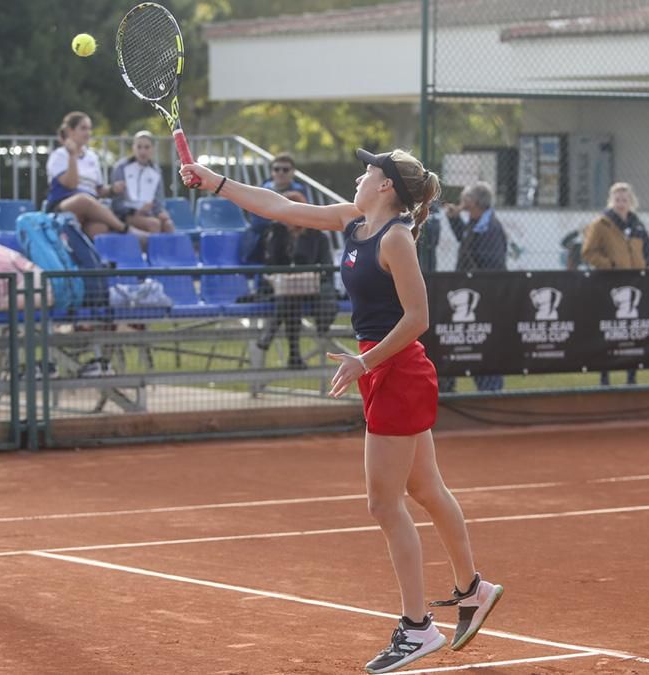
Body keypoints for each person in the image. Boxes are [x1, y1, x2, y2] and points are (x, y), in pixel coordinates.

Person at [182, 148, 504, 675]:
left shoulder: (396, 238)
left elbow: (419, 317)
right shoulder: (354, 221)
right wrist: (215, 181)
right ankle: (474, 588)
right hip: (384, 369)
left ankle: (417, 627)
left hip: (396, 370)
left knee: (384, 504)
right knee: (424, 489)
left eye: (368, 170)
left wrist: (366, 362)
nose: (359, 174)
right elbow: (278, 207)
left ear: (385, 187)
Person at [581, 182, 649, 386]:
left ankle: (632, 375)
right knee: (610, 330)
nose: (621, 204)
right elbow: (588, 252)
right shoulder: (601, 224)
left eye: (625, 200)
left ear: (631, 202)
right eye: (617, 200)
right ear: (610, 201)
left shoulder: (637, 224)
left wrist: (643, 266)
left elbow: (648, 249)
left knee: (632, 330)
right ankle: (605, 375)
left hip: (634, 282)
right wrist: (610, 265)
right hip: (609, 283)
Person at [255, 191, 336, 370]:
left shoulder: (318, 236)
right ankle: (293, 356)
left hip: (313, 288)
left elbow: (327, 267)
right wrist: (279, 234)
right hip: (282, 288)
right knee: (292, 298)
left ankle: (272, 336)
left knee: (292, 297)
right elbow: (272, 264)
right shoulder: (276, 233)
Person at [439, 181, 507, 393]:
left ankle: (491, 391)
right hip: (471, 293)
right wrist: (455, 219)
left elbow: (490, 265)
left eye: (465, 199)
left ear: (475, 202)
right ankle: (452, 386)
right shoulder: (477, 222)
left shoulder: (490, 228)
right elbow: (466, 241)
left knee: (485, 345)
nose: (461, 202)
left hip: (485, 297)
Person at [44, 112, 142, 242]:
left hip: (91, 206)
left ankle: (96, 260)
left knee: (99, 228)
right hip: (63, 205)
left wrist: (113, 189)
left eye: (89, 128)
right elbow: (71, 185)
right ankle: (125, 229)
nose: (88, 133)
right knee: (83, 200)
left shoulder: (92, 157)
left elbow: (98, 190)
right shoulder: (59, 155)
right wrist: (72, 155)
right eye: (83, 128)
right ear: (71, 131)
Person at [241, 152, 313, 264]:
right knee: (278, 231)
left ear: (293, 172)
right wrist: (278, 221)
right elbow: (256, 222)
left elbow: (305, 216)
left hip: (295, 237)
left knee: (318, 235)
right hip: (266, 240)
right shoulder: (261, 191)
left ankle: (323, 276)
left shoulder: (299, 192)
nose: (280, 173)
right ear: (272, 172)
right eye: (276, 169)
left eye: (285, 169)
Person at [110, 130, 174, 235]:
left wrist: (160, 212)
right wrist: (136, 209)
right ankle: (152, 252)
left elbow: (158, 201)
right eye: (139, 147)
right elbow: (117, 203)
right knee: (153, 224)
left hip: (148, 214)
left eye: (147, 147)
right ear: (133, 148)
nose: (142, 151)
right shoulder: (121, 168)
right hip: (126, 215)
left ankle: (170, 252)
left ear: (153, 149)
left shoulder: (156, 171)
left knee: (168, 224)